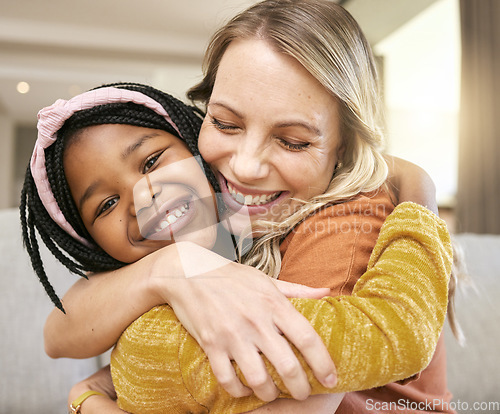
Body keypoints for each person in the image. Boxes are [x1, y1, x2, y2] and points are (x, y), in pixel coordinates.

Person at [23, 0, 457, 410]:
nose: (245, 168)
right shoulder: (219, 219)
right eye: (226, 123)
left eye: (293, 141)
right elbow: (57, 334)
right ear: (198, 119)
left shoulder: (345, 221)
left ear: (345, 143)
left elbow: (376, 344)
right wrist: (167, 268)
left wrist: (92, 400)